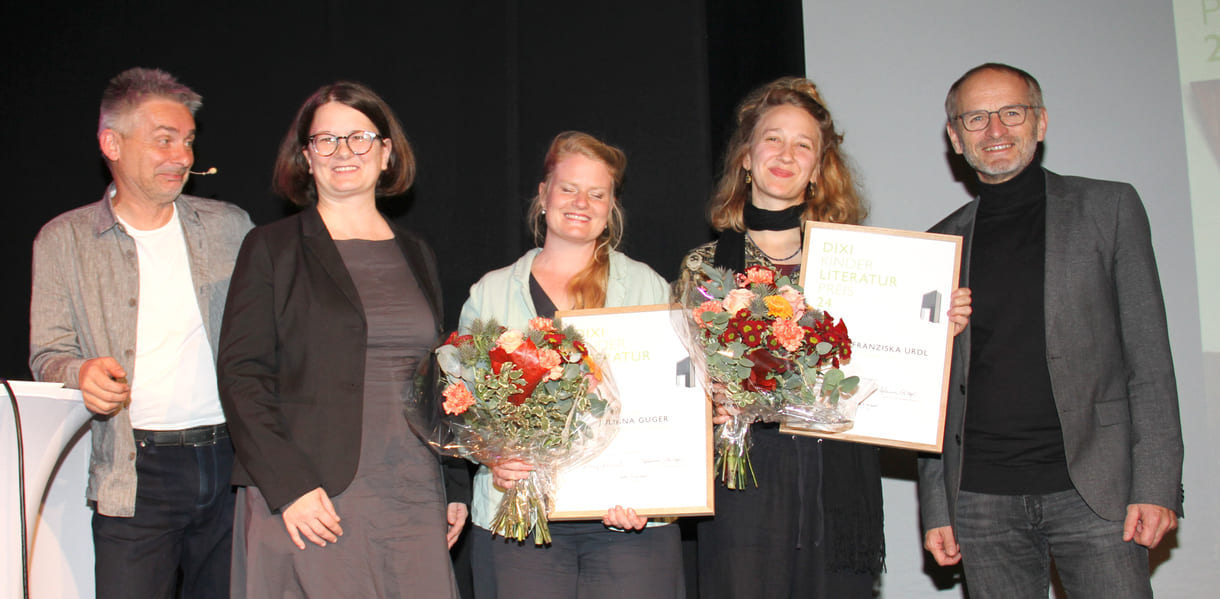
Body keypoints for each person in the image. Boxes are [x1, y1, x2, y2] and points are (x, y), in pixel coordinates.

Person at [675, 76, 970, 598]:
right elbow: (682, 386)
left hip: (837, 475)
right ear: (746, 156)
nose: (785, 154)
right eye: (772, 138)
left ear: (818, 168)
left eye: (803, 145)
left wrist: (940, 328)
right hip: (746, 485)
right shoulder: (704, 266)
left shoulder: (856, 261)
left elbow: (895, 359)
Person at [917, 63, 1184, 599]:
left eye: (1011, 113)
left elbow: (1148, 358)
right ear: (955, 137)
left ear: (1040, 123)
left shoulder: (1108, 209)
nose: (995, 130)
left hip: (1097, 494)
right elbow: (930, 391)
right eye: (975, 118)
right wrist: (937, 505)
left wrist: (1157, 487)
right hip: (981, 501)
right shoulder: (935, 246)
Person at [216, 81, 469, 598]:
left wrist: (454, 484)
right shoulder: (271, 248)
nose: (342, 152)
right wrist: (290, 488)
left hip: (413, 494)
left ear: (386, 152)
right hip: (312, 499)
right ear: (306, 158)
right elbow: (242, 377)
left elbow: (438, 376)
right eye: (325, 140)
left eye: (358, 137)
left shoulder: (416, 252)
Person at [28, 67, 253, 598]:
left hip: (231, 465)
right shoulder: (64, 240)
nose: (183, 156)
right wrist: (78, 371)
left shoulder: (231, 227)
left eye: (188, 141)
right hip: (134, 472)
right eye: (164, 140)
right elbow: (48, 353)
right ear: (111, 142)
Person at [458, 131, 683, 598]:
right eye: (568, 188)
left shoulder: (649, 289)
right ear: (543, 195)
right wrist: (493, 456)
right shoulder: (491, 293)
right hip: (517, 515)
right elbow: (464, 405)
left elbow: (675, 405)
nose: (582, 202)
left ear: (611, 205)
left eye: (597, 193)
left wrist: (658, 491)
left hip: (627, 520)